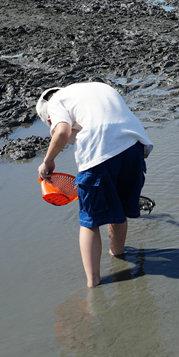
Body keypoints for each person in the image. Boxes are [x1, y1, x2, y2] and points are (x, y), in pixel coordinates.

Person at [36, 83, 154, 288]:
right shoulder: (93, 88)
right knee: (119, 210)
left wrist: (48, 161)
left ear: (48, 120)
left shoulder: (55, 103)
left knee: (89, 221)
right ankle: (117, 254)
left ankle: (93, 283)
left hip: (99, 154)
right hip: (134, 146)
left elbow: (63, 132)